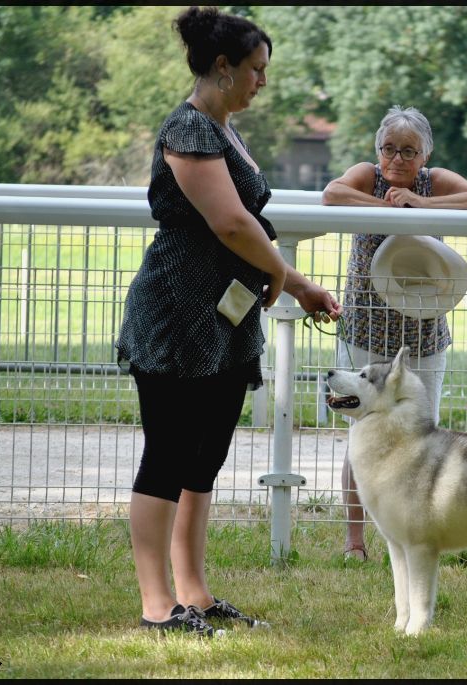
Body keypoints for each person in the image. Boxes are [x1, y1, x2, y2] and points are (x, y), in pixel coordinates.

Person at [115, 6, 341, 636]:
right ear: (223, 67)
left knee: (204, 459)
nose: (261, 81)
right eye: (256, 69)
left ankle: (195, 595)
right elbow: (232, 224)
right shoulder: (187, 129)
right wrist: (280, 276)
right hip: (174, 317)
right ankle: (157, 605)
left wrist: (300, 286)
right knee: (167, 456)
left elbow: (247, 236)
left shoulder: (225, 129)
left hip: (224, 319)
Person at [321, 105, 467, 560]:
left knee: (421, 438)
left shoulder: (433, 181)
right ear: (377, 150)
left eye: (408, 151)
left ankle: (417, 535)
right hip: (366, 330)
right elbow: (332, 194)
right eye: (389, 149)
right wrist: (385, 205)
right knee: (362, 438)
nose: (397, 159)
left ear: (424, 155)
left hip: (423, 335)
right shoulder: (367, 175)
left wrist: (421, 204)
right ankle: (355, 540)